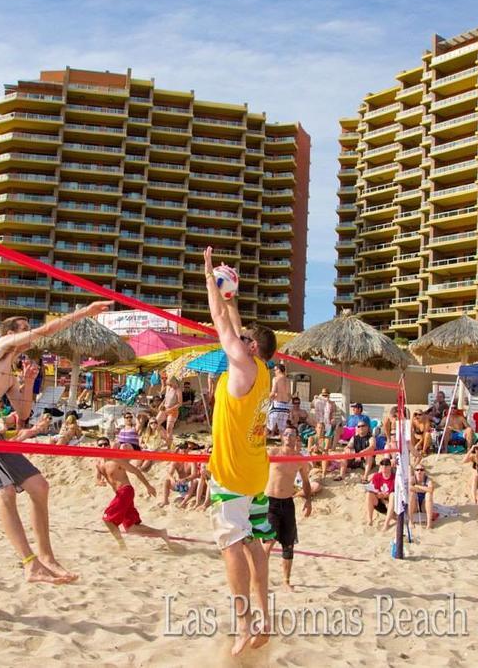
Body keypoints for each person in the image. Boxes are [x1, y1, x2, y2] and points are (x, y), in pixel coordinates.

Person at [0, 302, 111, 585]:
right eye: (23, 329)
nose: (28, 334)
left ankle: (47, 557)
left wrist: (26, 382)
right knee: (5, 491)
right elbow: (46, 331)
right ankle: (30, 564)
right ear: (11, 333)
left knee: (39, 486)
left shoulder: (12, 371)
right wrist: (85, 312)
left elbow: (24, 413)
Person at [204, 247, 278, 656]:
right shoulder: (265, 373)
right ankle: (265, 616)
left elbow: (219, 322)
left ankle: (243, 624)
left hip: (232, 475)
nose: (239, 335)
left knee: (231, 544)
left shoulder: (244, 366)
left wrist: (208, 274)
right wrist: (232, 299)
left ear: (251, 348)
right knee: (251, 541)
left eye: (245, 337)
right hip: (255, 472)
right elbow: (231, 322)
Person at [263, 427, 312, 592]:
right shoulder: (274, 452)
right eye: (286, 434)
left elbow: (306, 481)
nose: (289, 437)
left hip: (288, 502)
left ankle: (286, 581)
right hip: (271, 501)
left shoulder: (299, 459)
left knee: (289, 544)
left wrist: (308, 500)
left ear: (297, 438)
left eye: (292, 434)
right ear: (282, 437)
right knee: (268, 543)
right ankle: (260, 581)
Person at [98, 454, 178, 551]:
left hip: (125, 491)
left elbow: (135, 471)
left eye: (105, 444)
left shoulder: (117, 460)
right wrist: (99, 481)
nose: (103, 446)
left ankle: (122, 546)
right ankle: (161, 533)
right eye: (101, 445)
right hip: (119, 494)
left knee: (107, 519)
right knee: (131, 528)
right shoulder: (99, 464)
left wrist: (148, 486)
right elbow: (98, 478)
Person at [366, 459, 395, 530]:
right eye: (382, 466)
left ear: (390, 467)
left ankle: (386, 523)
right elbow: (372, 489)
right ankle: (370, 520)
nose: (384, 468)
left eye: (386, 466)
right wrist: (379, 495)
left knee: (392, 495)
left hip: (390, 504)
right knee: (369, 493)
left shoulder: (394, 478)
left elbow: (395, 493)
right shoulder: (377, 476)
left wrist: (386, 497)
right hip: (380, 502)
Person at [156, 376, 182, 448]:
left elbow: (180, 403)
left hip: (173, 411)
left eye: (170, 384)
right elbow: (166, 398)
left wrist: (170, 409)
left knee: (169, 428)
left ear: (174, 382)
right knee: (155, 423)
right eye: (168, 384)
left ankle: (169, 444)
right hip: (165, 408)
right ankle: (167, 439)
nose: (169, 385)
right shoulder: (168, 387)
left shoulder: (178, 390)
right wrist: (161, 404)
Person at [266, 364, 290, 439]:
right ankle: (283, 446)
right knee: (282, 430)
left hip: (277, 405)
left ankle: (261, 444)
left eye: (275, 370)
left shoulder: (276, 379)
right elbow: (289, 395)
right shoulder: (288, 380)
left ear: (279, 370)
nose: (274, 372)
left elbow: (273, 392)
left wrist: (266, 398)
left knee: (267, 426)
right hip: (286, 406)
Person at [409, 464, 435, 529]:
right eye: (417, 470)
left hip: (424, 505)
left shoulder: (428, 479)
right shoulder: (412, 479)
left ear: (424, 472)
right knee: (411, 494)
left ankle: (429, 523)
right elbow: (409, 488)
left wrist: (418, 487)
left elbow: (431, 490)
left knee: (428, 495)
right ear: (415, 471)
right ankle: (411, 521)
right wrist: (424, 489)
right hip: (415, 505)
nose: (419, 471)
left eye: (421, 470)